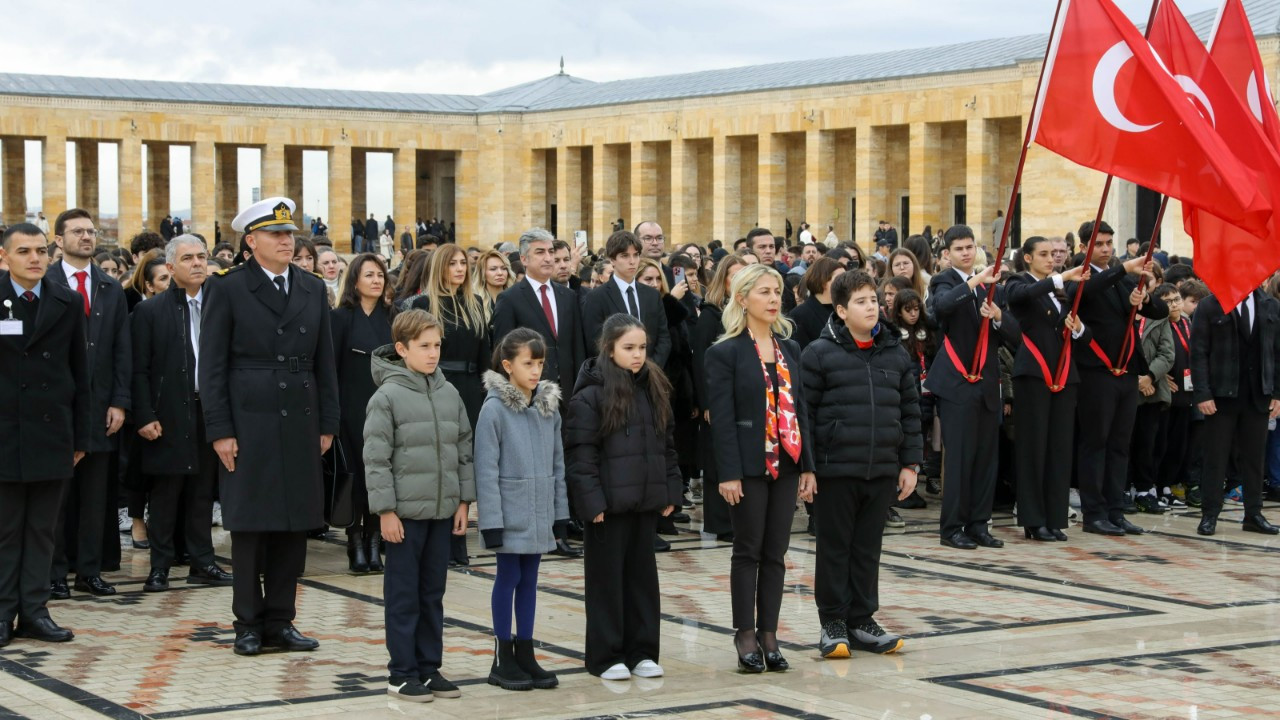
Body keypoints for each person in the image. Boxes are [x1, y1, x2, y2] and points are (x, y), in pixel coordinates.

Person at [200, 197, 339, 656]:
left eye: (289, 234)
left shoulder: (311, 287)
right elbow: (212, 366)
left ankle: (281, 620)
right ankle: (248, 623)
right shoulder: (228, 287)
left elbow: (325, 363)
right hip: (249, 418)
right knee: (251, 527)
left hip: (300, 417)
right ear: (251, 241)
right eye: (276, 234)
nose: (286, 240)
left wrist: (328, 423)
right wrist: (220, 429)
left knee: (294, 524)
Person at [705, 263, 817, 673]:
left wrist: (808, 465)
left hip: (787, 462)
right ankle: (745, 635)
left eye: (777, 293)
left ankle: (770, 635)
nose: (774, 300)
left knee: (777, 553)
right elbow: (723, 416)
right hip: (749, 466)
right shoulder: (724, 352)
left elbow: (800, 408)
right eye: (765, 292)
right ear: (742, 298)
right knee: (748, 550)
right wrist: (728, 473)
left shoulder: (791, 349)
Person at [801, 270, 919, 658]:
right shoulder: (820, 353)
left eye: (874, 300)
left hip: (881, 467)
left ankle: (862, 618)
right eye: (861, 302)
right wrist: (809, 467)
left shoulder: (894, 352)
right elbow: (807, 414)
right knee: (835, 547)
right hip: (836, 470)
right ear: (840, 309)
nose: (872, 308)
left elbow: (909, 411)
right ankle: (833, 621)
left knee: (868, 547)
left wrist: (910, 464)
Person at [566, 314, 683, 681]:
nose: (637, 355)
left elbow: (666, 445)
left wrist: (670, 489)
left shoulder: (653, 388)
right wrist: (592, 501)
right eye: (628, 348)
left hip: (644, 501)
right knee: (606, 582)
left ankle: (643, 651)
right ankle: (606, 655)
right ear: (609, 348)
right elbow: (581, 454)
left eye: (642, 348)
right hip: (608, 507)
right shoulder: (591, 395)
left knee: (642, 581)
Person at [364, 309, 473, 702]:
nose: (432, 354)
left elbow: (463, 449)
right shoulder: (387, 397)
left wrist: (464, 501)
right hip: (405, 516)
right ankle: (401, 672)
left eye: (437, 345)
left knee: (432, 593)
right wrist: (386, 511)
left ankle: (429, 668)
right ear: (401, 349)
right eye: (424, 346)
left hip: (442, 512)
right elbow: (376, 459)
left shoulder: (449, 392)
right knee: (404, 596)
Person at [0, 223, 90, 647]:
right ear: (5, 257)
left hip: (51, 433)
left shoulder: (67, 301)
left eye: (40, 251)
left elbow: (80, 373)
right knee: (6, 529)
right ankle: (2, 613)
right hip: (4, 434)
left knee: (42, 530)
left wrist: (80, 437)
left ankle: (34, 611)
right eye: (24, 251)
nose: (35, 258)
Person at [130, 235, 234, 592]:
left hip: (211, 411)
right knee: (165, 493)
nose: (197, 264)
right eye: (188, 258)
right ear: (171, 268)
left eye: (202, 257)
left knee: (203, 491)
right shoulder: (149, 311)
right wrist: (143, 415)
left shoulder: (222, 306)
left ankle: (203, 562)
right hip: (168, 412)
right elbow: (138, 369)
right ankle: (160, 566)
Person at [475, 329, 567, 691]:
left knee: (529, 580)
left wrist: (560, 514)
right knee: (508, 577)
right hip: (510, 513)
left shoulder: (547, 408)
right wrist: (491, 522)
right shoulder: (494, 409)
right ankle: (502, 657)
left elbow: (558, 464)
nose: (535, 371)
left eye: (540, 363)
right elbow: (486, 468)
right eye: (528, 363)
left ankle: (525, 651)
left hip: (539, 511)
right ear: (507, 365)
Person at [48, 208, 130, 599]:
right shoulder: (43, 281)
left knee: (96, 496)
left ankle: (89, 570)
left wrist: (119, 401)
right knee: (57, 493)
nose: (86, 237)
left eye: (90, 231)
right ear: (58, 239)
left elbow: (120, 349)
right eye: (77, 231)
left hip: (100, 408)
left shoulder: (108, 287)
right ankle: (53, 573)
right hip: (56, 409)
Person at [492, 228, 586, 558]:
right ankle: (545, 530)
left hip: (566, 396)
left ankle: (564, 525)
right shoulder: (511, 299)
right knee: (540, 467)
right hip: (531, 399)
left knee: (562, 464)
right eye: (541, 253)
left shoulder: (568, 297)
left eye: (551, 251)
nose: (548, 258)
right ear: (524, 259)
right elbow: (503, 352)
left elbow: (576, 347)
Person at [927, 225, 1021, 550]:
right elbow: (942, 307)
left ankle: (979, 524)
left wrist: (997, 316)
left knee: (985, 459)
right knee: (960, 459)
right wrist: (976, 281)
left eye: (970, 247)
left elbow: (1014, 335)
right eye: (959, 249)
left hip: (986, 383)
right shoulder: (946, 281)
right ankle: (952, 527)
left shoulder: (991, 287)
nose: (966, 253)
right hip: (956, 383)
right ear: (947, 254)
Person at [1072, 221, 1166, 537]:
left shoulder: (1120, 280)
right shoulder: (1080, 275)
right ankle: (1093, 512)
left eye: (1109, 243)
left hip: (1125, 372)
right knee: (1095, 443)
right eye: (1099, 244)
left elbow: (1159, 311)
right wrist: (1124, 267)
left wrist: (1147, 300)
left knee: (1119, 445)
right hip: (1095, 372)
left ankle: (1115, 509)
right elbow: (1083, 293)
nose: (1107, 249)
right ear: (1084, 247)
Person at [1004, 236, 1089, 542]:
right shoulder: (1018, 284)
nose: (1051, 258)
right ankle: (1033, 519)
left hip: (1064, 374)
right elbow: (1022, 295)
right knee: (1033, 448)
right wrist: (1060, 277)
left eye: (1054, 254)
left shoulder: (1061, 293)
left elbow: (1084, 334)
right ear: (1027, 258)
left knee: (1059, 449)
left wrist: (1078, 328)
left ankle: (1055, 517)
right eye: (1043, 254)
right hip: (1034, 375)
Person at [411, 244, 491, 566]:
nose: (460, 268)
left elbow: (486, 355)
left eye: (463, 263)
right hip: (438, 388)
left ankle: (458, 543)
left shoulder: (476, 304)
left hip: (472, 390)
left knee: (464, 461)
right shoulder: (423, 304)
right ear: (439, 267)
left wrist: (488, 395)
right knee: (439, 461)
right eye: (453, 263)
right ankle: (436, 543)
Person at [1191, 284, 1280, 536]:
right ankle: (1209, 514)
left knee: (1254, 458)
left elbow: (1277, 353)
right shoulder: (1210, 305)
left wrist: (1277, 393)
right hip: (1221, 395)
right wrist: (1203, 392)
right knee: (1215, 458)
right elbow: (1198, 352)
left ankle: (1253, 513)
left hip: (1258, 395)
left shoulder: (1270, 305)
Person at [330, 253, 395, 573]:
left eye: (380, 275)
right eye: (369, 275)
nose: (376, 280)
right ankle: (355, 541)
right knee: (354, 478)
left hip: (385, 409)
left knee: (379, 477)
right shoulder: (341, 318)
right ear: (354, 280)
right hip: (350, 410)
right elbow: (330, 369)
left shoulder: (393, 317)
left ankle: (373, 541)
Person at [692, 256, 749, 542]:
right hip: (716, 399)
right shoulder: (711, 314)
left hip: (743, 399)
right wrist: (706, 404)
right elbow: (700, 362)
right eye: (734, 275)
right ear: (723, 280)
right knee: (717, 462)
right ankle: (720, 523)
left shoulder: (749, 313)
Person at [583, 231, 671, 368]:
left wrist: (650, 367)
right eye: (625, 256)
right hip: (614, 376)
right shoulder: (596, 297)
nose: (632, 261)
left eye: (635, 255)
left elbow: (663, 337)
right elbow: (596, 342)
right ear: (612, 260)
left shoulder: (652, 295)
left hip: (650, 374)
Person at [1130, 282, 1176, 515]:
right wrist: (1136, 379)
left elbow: (1167, 353)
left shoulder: (1159, 317)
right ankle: (1120, 489)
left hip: (1152, 391)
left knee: (1147, 442)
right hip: (1125, 387)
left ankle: (1145, 490)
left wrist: (1148, 377)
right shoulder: (1121, 314)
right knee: (1122, 442)